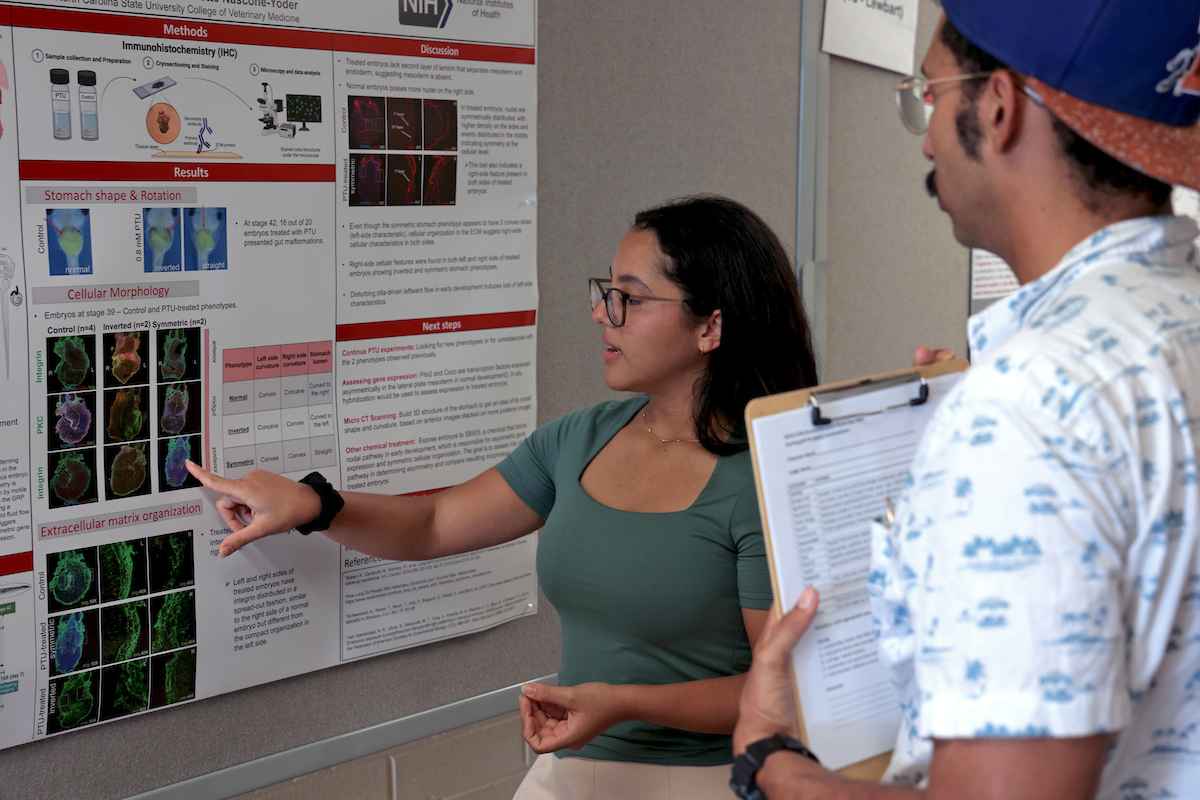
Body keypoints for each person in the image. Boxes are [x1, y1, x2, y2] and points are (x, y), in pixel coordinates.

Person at [186, 195, 819, 799]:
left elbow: (785, 688)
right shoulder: (582, 438)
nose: (602, 312)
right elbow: (434, 524)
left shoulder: (763, 475)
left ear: (710, 325)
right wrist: (314, 505)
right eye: (606, 292)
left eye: (629, 297)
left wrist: (625, 702)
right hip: (570, 774)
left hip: (710, 782)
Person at [731, 1, 1200, 799]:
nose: (927, 134)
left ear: (998, 107)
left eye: (933, 92)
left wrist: (772, 762)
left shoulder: (1030, 409)